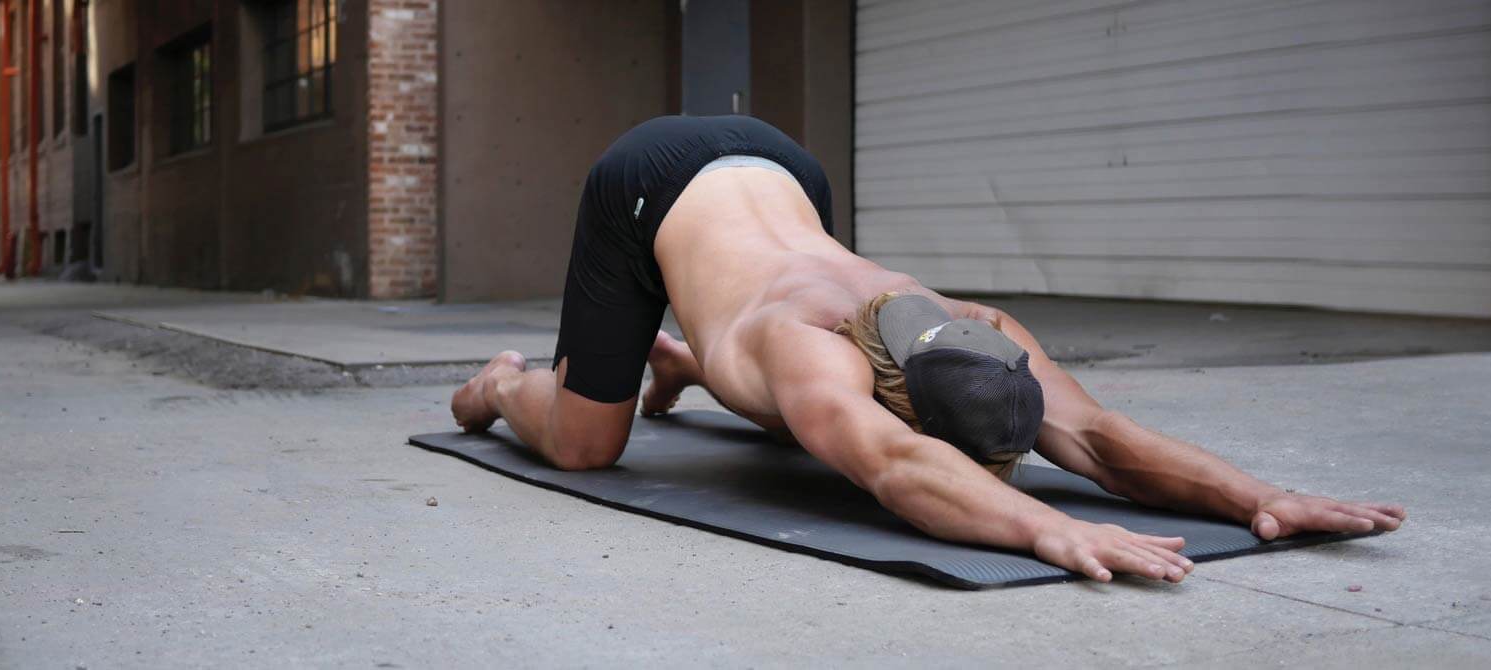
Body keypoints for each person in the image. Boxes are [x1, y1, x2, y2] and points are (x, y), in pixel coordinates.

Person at [451, 115, 1405, 584]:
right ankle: (504, 385)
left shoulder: (975, 327)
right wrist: (1045, 529)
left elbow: (1104, 439)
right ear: (899, 395)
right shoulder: (811, 353)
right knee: (590, 443)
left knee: (793, 418)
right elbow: (899, 464)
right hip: (647, 182)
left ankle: (679, 355)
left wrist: (1258, 497)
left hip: (785, 166)